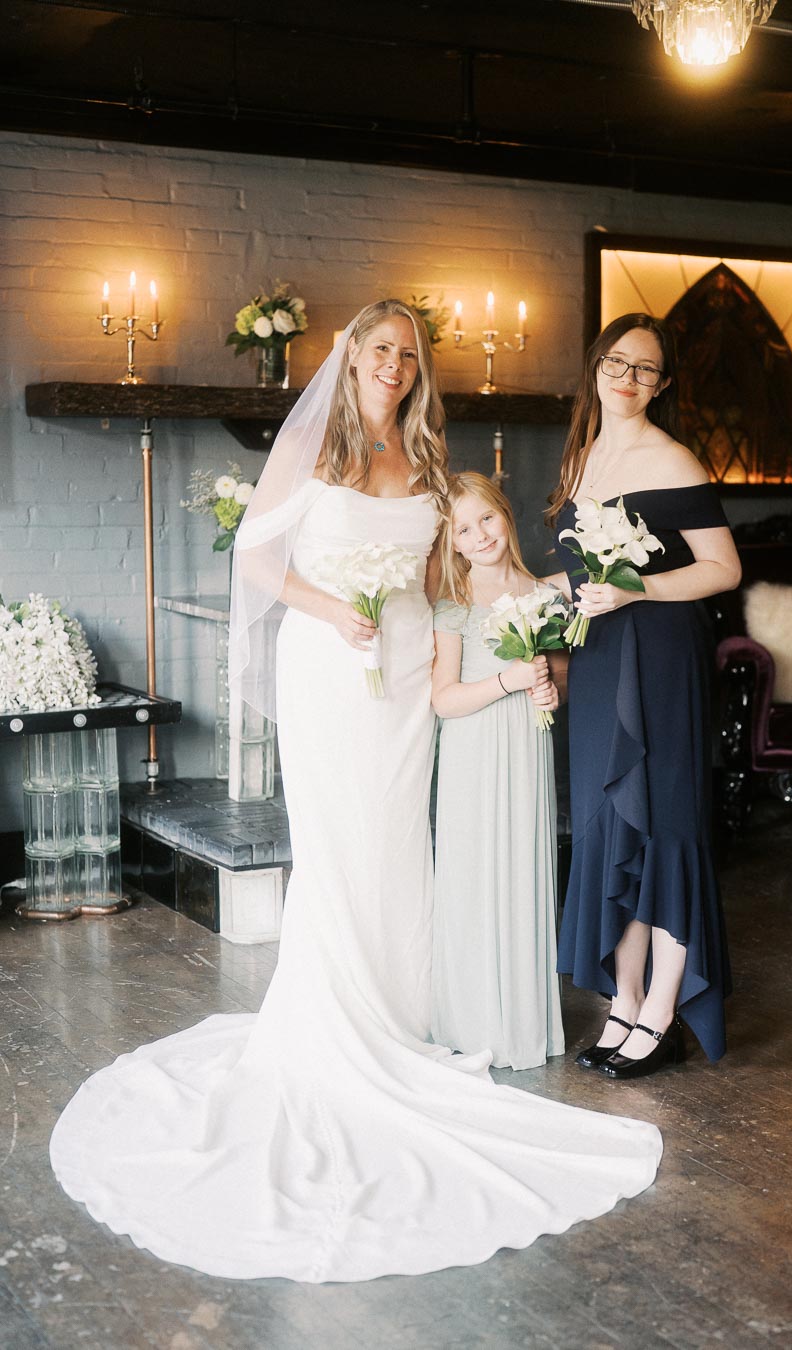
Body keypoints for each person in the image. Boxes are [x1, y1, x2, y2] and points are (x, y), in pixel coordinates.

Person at [49, 301, 663, 1284]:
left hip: (414, 668)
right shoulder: (319, 453)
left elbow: (446, 561)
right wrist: (337, 610)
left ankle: (408, 1008)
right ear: (351, 359)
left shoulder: (423, 459)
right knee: (340, 839)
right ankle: (341, 1018)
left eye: (408, 356)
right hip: (334, 667)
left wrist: (515, 622)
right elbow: (257, 559)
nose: (393, 367)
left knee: (398, 841)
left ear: (419, 371)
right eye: (380, 351)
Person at [546, 312, 741, 1079]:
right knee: (606, 825)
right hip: (597, 664)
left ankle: (664, 1009)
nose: (630, 380)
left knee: (665, 826)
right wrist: (520, 600)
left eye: (647, 370)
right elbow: (573, 576)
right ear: (595, 367)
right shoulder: (582, 458)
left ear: (663, 384)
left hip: (660, 656)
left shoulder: (673, 457)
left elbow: (722, 568)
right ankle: (623, 1003)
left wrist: (636, 591)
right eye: (618, 364)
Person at [431, 472, 565, 1070]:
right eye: (463, 528)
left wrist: (550, 691)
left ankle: (524, 1021)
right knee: (475, 873)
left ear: (505, 516)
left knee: (523, 867)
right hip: (473, 751)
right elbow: (443, 699)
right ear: (452, 542)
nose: (479, 534)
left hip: (527, 752)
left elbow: (559, 677)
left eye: (486, 518)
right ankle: (472, 1019)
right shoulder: (453, 603)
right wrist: (509, 680)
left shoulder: (545, 594)